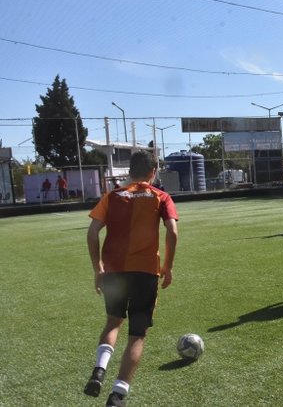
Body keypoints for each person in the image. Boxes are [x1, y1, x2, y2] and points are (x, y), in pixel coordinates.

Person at [83, 151, 178, 407]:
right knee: (137, 334)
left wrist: (97, 267)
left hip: (113, 270)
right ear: (153, 172)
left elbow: (92, 233)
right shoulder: (161, 196)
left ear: (128, 171)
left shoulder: (112, 196)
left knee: (113, 322)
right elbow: (172, 230)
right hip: (145, 272)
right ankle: (117, 395)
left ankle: (99, 370)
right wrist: (167, 266)